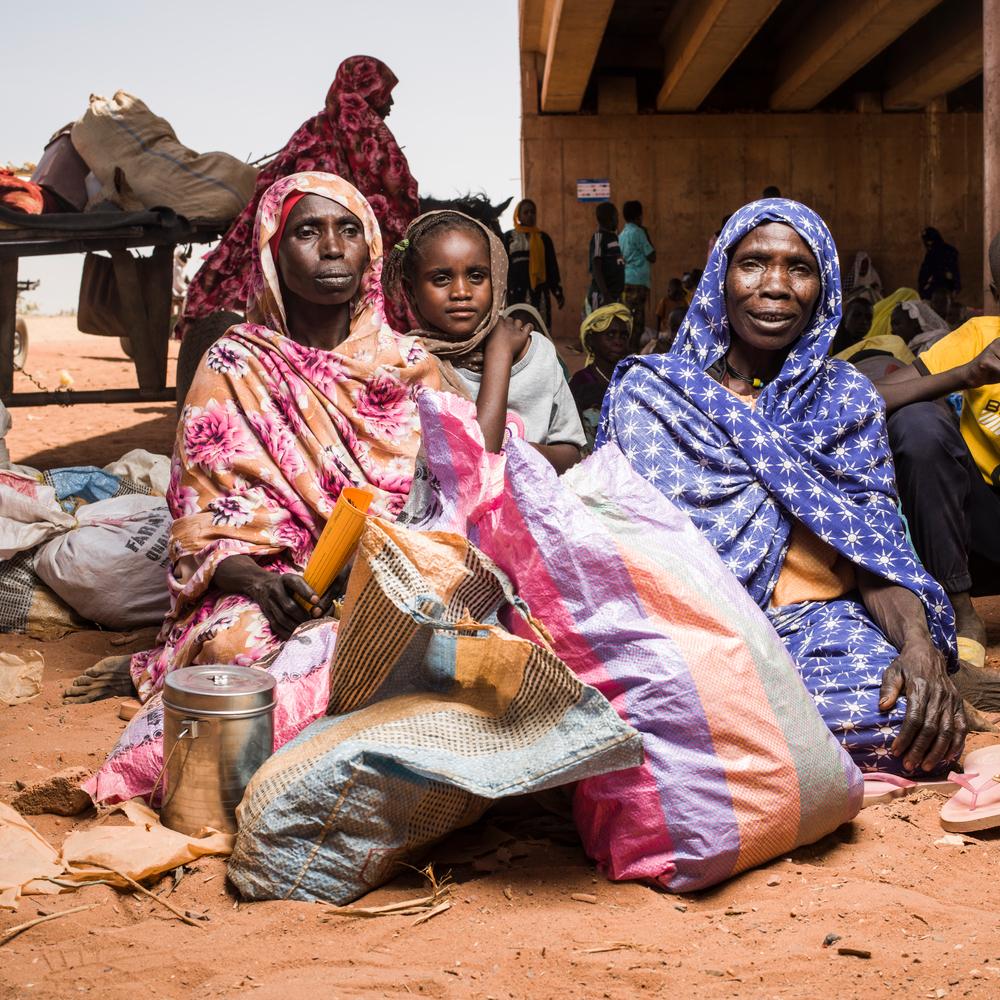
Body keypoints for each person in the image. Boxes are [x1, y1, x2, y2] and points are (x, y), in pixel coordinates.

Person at [598, 199, 966, 777]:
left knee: (902, 719)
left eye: (799, 268)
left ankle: (747, 760)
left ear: (824, 289)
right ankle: (787, 761)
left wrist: (918, 648)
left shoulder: (845, 399)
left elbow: (874, 557)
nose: (775, 286)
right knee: (632, 719)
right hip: (693, 636)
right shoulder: (655, 394)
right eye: (753, 264)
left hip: (817, 628)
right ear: (722, 276)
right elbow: (624, 567)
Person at [68, 173, 442, 705]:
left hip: (393, 574)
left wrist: (373, 567)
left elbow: (447, 499)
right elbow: (204, 521)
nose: (333, 248)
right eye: (307, 232)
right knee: (239, 650)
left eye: (349, 231)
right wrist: (263, 585)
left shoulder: (410, 365)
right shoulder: (234, 364)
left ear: (371, 250)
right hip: (277, 584)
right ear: (272, 250)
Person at [178, 56, 418, 337]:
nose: (390, 103)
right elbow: (400, 189)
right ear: (367, 88)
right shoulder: (364, 126)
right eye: (385, 94)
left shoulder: (311, 130)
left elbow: (269, 182)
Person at [873, 232, 1000, 667]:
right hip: (981, 530)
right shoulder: (980, 338)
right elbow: (871, 395)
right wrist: (969, 372)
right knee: (917, 421)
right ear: (997, 295)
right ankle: (962, 611)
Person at [384, 210, 585, 474]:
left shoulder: (537, 353)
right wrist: (499, 355)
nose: (461, 292)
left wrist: (523, 456)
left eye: (477, 276)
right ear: (411, 290)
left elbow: (572, 452)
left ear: (497, 279)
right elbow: (476, 467)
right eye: (441, 278)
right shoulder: (407, 365)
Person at [569, 304, 631, 452]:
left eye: (623, 335)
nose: (618, 341)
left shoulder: (631, 378)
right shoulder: (580, 382)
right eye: (610, 335)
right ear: (591, 341)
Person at [502, 198, 564, 330]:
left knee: (540, 325)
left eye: (533, 212)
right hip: (516, 290)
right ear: (518, 215)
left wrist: (558, 292)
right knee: (516, 326)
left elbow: (551, 266)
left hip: (539, 290)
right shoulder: (509, 237)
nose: (530, 215)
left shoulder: (543, 238)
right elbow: (502, 265)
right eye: (526, 212)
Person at [618, 200, 656, 351]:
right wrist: (647, 234)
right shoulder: (639, 233)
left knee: (628, 318)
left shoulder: (622, 234)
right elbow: (652, 256)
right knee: (638, 323)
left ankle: (625, 351)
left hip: (626, 280)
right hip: (639, 282)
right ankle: (632, 353)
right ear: (638, 216)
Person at [588, 202, 625, 311]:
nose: (618, 220)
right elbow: (596, 267)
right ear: (609, 219)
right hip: (602, 296)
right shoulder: (598, 238)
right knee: (600, 325)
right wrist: (605, 294)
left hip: (614, 295)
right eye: (616, 217)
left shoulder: (613, 237)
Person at [919, 227, 961, 300]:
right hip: (940, 288)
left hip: (943, 287)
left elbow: (953, 271)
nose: (927, 245)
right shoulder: (933, 252)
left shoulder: (941, 252)